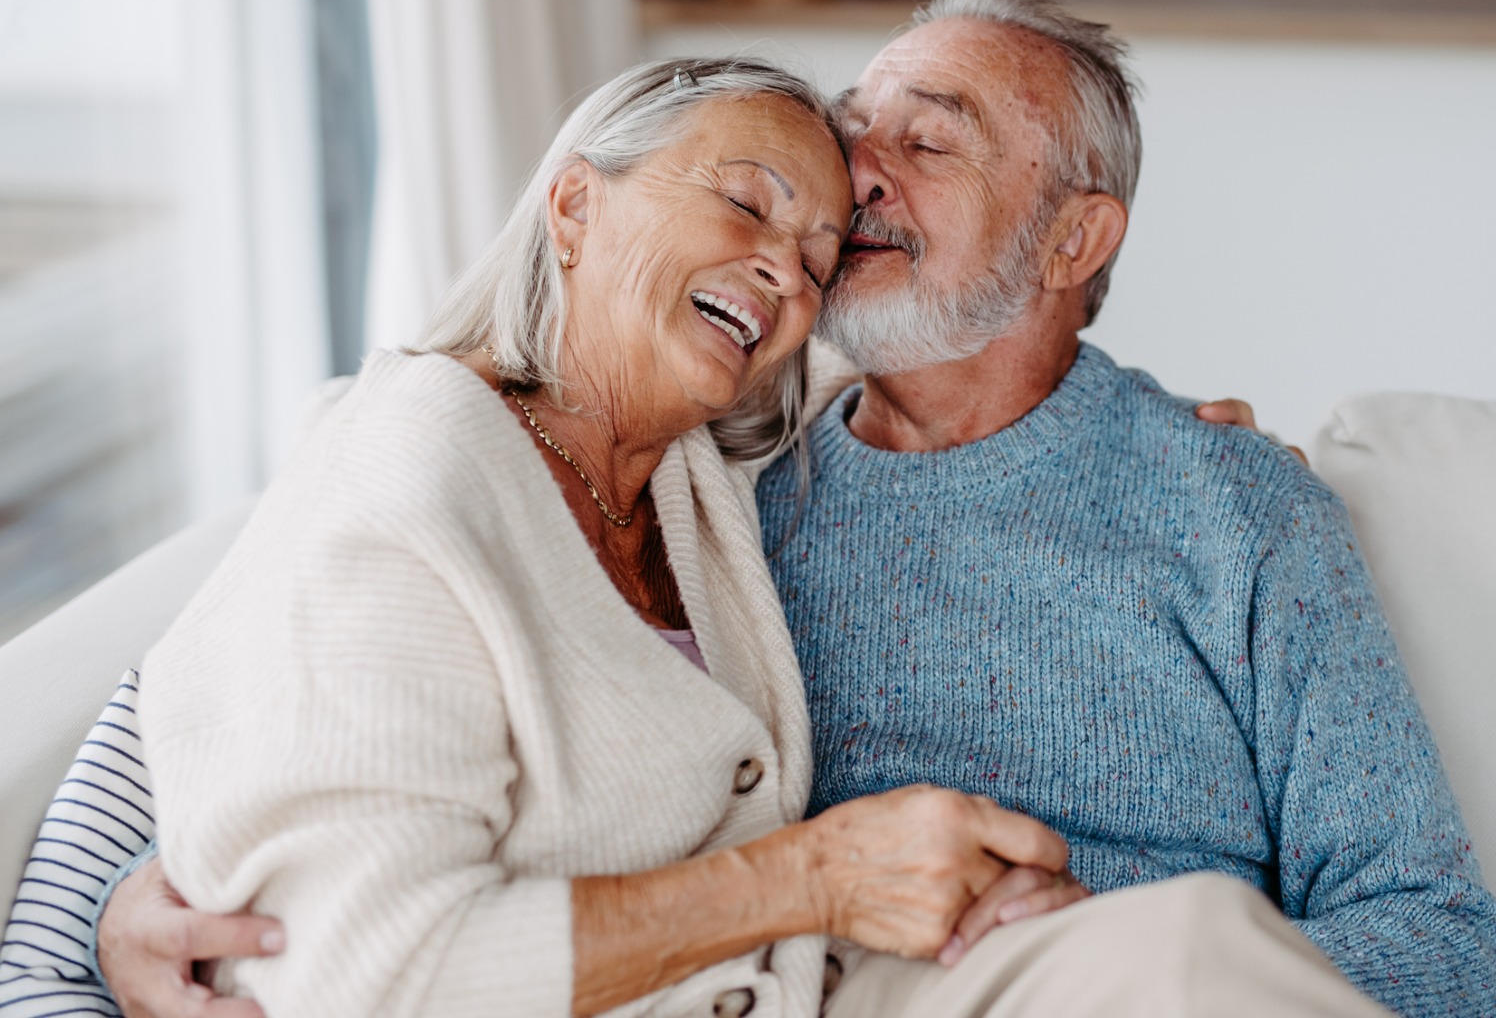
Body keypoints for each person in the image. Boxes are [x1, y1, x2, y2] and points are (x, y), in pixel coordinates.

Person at [37, 0, 1496, 1018]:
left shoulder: (1237, 510)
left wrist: (1115, 961)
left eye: (927, 143)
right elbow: (265, 651)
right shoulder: (729, 484)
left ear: (1076, 239)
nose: (856, 182)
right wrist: (123, 906)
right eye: (847, 134)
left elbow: (1439, 943)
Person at [1, 57, 1100, 1018]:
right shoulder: (409, 464)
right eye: (744, 202)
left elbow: (955, 372)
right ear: (573, 205)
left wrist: (1146, 430)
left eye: (821, 262)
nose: (784, 271)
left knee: (1157, 958)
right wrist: (810, 877)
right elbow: (360, 969)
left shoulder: (698, 472)